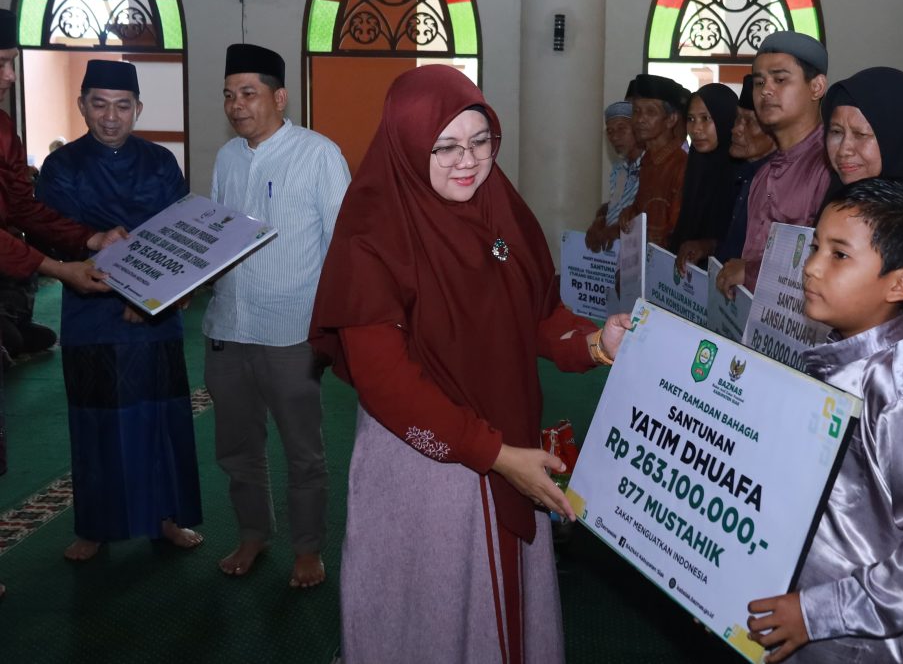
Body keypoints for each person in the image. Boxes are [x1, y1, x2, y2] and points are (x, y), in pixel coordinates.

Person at [308, 65, 631, 663]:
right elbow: (386, 383)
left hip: (505, 431)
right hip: (425, 457)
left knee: (501, 603)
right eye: (446, 147)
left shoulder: (497, 212)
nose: (469, 162)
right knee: (436, 603)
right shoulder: (373, 237)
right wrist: (497, 456)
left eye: (481, 142)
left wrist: (593, 343)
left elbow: (536, 311)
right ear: (409, 145)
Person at [748, 178, 903, 662]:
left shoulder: (898, 395)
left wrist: (818, 612)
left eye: (839, 255)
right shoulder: (836, 363)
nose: (811, 266)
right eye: (815, 246)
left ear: (899, 284)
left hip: (855, 641)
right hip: (798, 613)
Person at [37, 59, 202, 561]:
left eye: (122, 106)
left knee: (160, 418)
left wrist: (151, 298)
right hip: (92, 313)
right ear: (82, 105)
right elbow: (55, 236)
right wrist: (127, 290)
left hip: (155, 316)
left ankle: (166, 518)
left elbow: (180, 232)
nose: (111, 117)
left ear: (138, 109)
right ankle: (96, 526)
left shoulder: (160, 162)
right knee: (96, 423)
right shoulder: (62, 168)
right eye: (100, 105)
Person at [204, 43, 350, 588]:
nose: (236, 105)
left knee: (302, 451)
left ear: (280, 97)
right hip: (227, 325)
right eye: (228, 95)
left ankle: (308, 548)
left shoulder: (319, 154)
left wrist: (333, 327)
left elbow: (343, 246)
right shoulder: (227, 157)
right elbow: (216, 235)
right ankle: (253, 534)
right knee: (236, 448)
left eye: (249, 93)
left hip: (290, 330)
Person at [0, 9, 126, 597]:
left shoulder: (4, 129)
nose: (9, 77)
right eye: (2, 64)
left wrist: (90, 239)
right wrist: (59, 267)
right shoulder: (63, 161)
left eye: (11, 63)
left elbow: (24, 211)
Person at [716, 31, 831, 296]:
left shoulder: (827, 166)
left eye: (780, 79)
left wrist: (750, 273)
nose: (765, 90)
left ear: (816, 87)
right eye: (759, 82)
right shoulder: (762, 174)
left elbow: (830, 265)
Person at [822, 67, 903, 199]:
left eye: (861, 134)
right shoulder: (835, 201)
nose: (843, 151)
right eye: (836, 132)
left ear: (898, 141)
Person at [617, 73, 689, 248]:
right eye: (636, 111)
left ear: (671, 119)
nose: (640, 119)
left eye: (650, 112)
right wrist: (631, 212)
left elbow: (677, 233)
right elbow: (645, 208)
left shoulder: (681, 165)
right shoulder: (648, 160)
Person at [671, 83, 740, 268]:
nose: (696, 129)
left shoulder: (741, 173)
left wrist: (709, 246)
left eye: (705, 118)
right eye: (691, 119)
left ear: (726, 118)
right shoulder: (695, 166)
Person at [713, 78, 776, 263]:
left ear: (775, 131)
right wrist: (709, 246)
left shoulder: (776, 182)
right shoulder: (743, 173)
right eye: (737, 118)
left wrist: (747, 271)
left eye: (750, 122)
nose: (736, 129)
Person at [584, 101, 643, 252]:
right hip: (616, 253)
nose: (615, 137)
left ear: (637, 129)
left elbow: (646, 215)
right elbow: (616, 205)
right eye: (610, 131)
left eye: (622, 129)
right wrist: (601, 220)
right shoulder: (620, 170)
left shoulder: (651, 167)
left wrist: (617, 231)